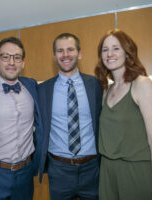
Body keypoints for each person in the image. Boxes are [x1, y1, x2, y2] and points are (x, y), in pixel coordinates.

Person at [94, 29, 152, 200]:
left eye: (116, 48)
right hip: (107, 172)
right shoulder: (106, 90)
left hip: (135, 172)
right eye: (105, 50)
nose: (110, 54)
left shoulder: (142, 84)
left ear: (128, 53)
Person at [0, 36, 42, 200]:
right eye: (5, 56)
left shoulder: (32, 87)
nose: (11, 62)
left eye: (17, 57)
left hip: (26, 173)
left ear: (23, 62)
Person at [38, 33, 103, 200]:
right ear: (55, 56)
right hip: (59, 170)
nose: (65, 55)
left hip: (92, 169)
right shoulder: (44, 89)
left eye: (70, 49)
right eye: (60, 51)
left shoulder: (96, 85)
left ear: (79, 53)